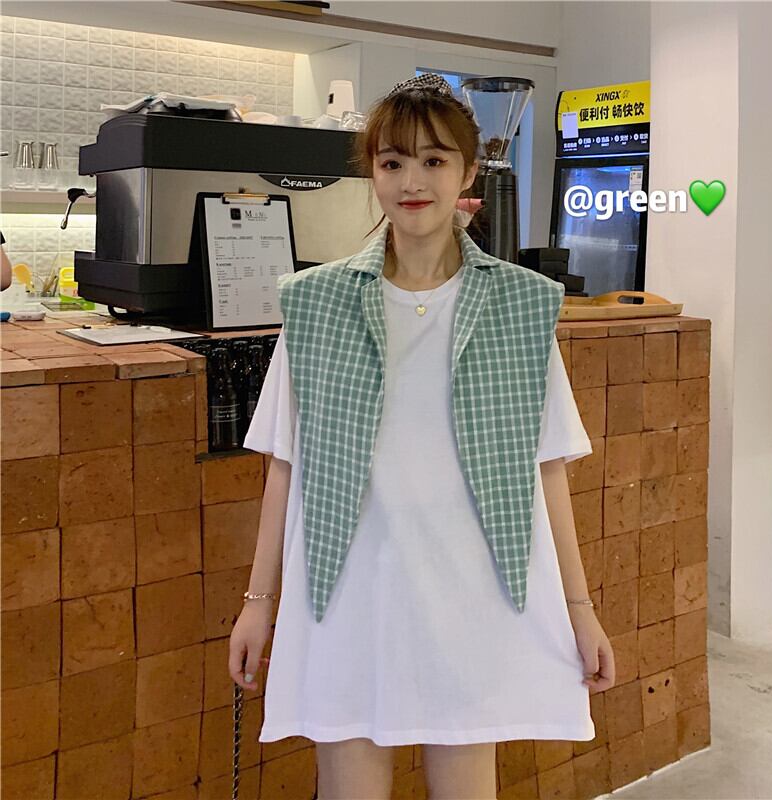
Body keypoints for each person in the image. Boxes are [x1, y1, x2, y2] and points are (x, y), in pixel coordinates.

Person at [229, 73, 616, 800]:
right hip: (346, 587)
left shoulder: (522, 306)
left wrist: (580, 611)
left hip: (471, 591)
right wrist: (258, 602)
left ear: (468, 173)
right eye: (393, 161)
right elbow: (285, 463)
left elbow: (546, 469)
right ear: (372, 173)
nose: (413, 181)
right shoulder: (315, 303)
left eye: (435, 160)